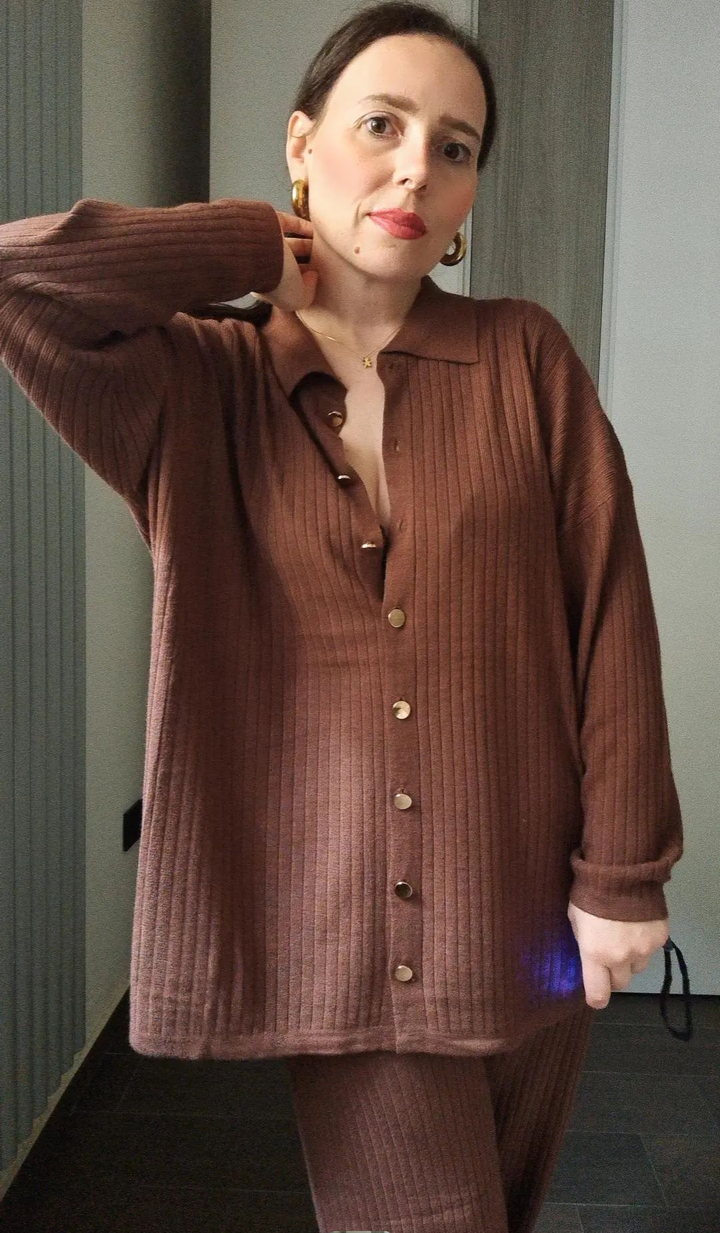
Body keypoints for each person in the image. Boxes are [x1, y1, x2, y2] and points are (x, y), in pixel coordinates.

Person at [0, 2, 690, 1230]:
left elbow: (610, 616)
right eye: (381, 125)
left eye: (455, 147)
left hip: (532, 909)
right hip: (343, 924)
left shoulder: (523, 358)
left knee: (498, 1206)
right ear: (301, 142)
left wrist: (624, 872)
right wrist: (245, 244)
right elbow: (21, 279)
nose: (417, 167)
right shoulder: (192, 385)